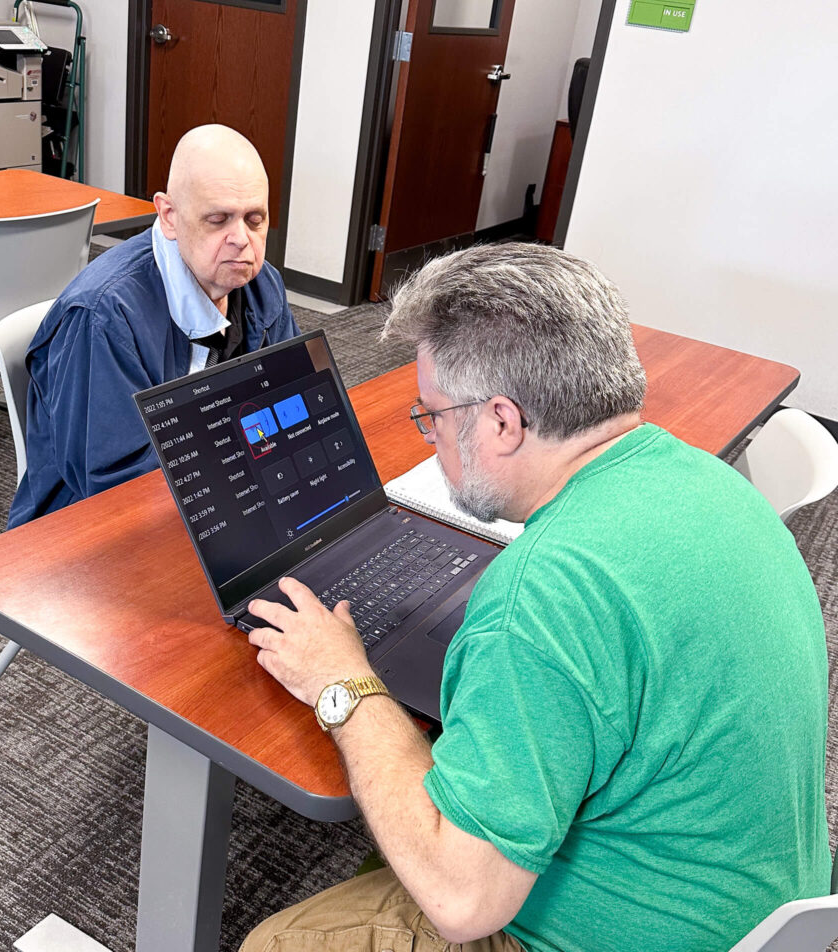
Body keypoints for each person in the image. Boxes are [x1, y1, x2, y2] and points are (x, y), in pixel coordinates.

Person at [241, 243, 829, 952]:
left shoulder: (540, 597)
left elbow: (464, 903)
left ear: (501, 422)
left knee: (272, 941)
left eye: (430, 415)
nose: (429, 440)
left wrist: (342, 681)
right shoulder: (711, 483)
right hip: (762, 910)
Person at [8, 124, 298, 528]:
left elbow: (292, 407)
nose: (242, 240)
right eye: (218, 219)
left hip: (222, 501)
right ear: (169, 216)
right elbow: (115, 487)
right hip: (90, 533)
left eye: (255, 219)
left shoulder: (262, 284)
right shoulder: (106, 317)